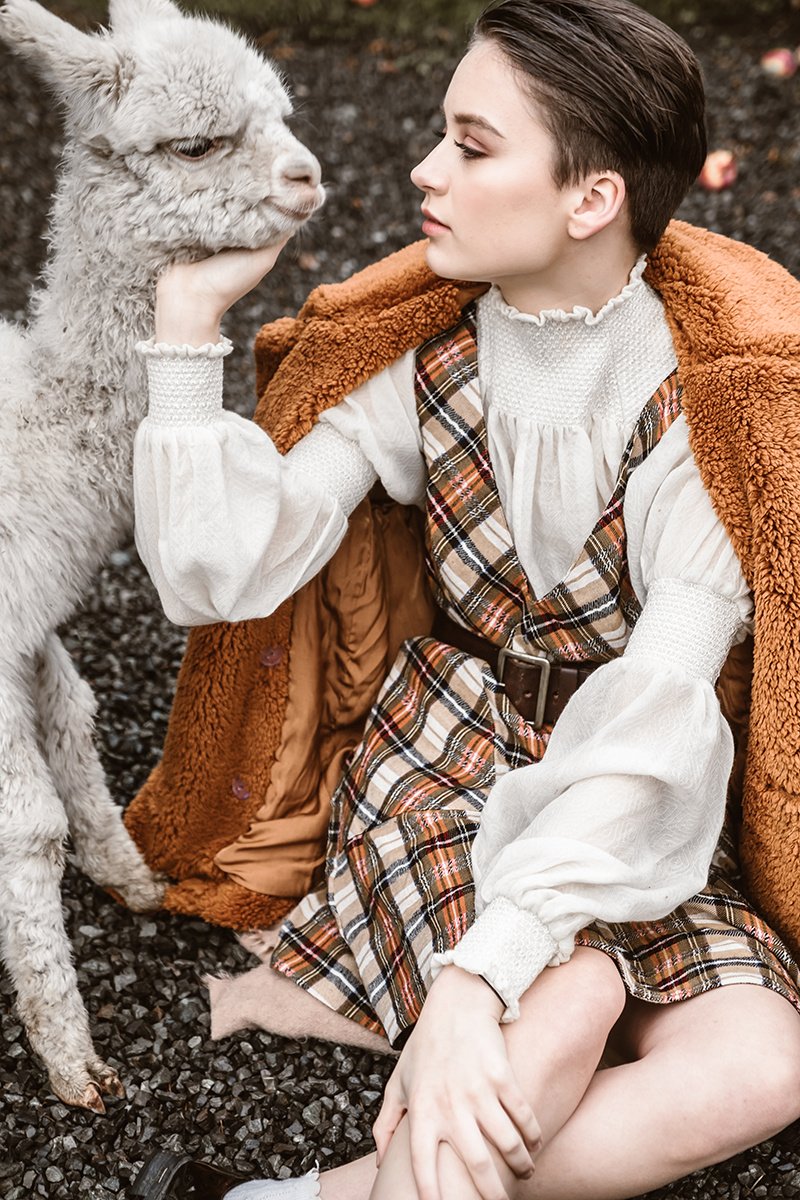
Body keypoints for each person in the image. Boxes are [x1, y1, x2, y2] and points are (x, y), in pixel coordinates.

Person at [129, 1, 800, 1197]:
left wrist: (474, 980)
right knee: (571, 994)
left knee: (763, 1068)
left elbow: (658, 706)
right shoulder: (415, 360)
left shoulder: (709, 409)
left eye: (471, 146)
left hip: (626, 791)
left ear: (590, 199)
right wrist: (187, 330)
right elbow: (221, 572)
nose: (423, 169)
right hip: (448, 760)